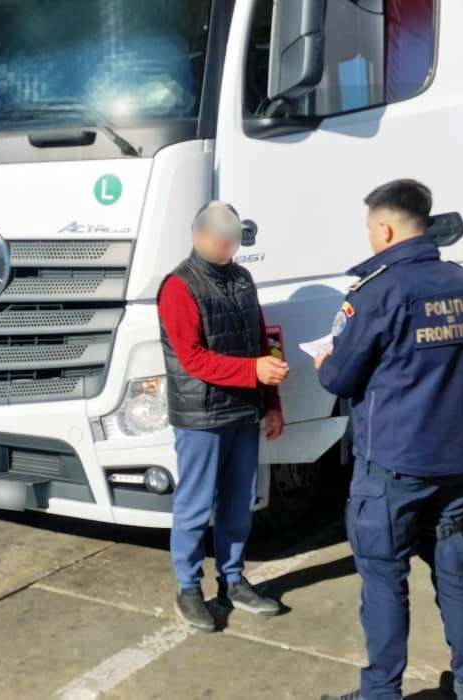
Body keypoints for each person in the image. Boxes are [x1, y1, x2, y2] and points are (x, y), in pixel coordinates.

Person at [315, 180, 463, 700]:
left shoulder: (378, 291)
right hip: (456, 460)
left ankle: (381, 692)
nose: (370, 237)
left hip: (392, 463)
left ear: (386, 229)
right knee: (455, 570)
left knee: (384, 579)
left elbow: (339, 378)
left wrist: (324, 361)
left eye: (370, 228)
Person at [157, 200, 289, 631]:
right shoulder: (179, 286)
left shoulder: (241, 278)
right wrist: (253, 372)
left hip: (243, 410)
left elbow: (262, 340)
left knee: (239, 502)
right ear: (198, 234)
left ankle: (232, 580)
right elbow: (192, 359)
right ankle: (188, 588)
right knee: (195, 506)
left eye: (233, 239)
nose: (229, 246)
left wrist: (272, 402)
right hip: (202, 415)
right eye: (221, 238)